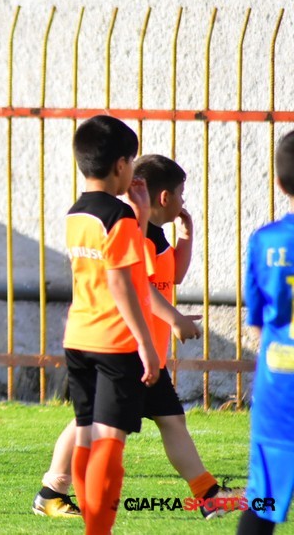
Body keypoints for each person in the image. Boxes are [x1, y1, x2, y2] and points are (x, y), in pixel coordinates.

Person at [32, 153, 238, 520]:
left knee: (170, 421)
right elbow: (137, 284)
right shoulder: (131, 229)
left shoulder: (154, 235)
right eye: (181, 193)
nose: (184, 201)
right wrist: (174, 318)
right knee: (90, 423)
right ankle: (53, 492)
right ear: (165, 197)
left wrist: (186, 237)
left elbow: (171, 276)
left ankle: (208, 495)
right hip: (126, 350)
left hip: (148, 355)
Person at [61, 115, 159, 535]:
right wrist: (146, 344)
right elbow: (121, 283)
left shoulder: (77, 213)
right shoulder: (117, 216)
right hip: (114, 341)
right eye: (132, 162)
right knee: (109, 442)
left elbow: (117, 264)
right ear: (120, 165)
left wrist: (141, 216)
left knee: (86, 435)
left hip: (78, 337)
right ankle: (98, 530)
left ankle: (93, 524)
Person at [237, 130, 294, 534]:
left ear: (279, 182)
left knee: (263, 500)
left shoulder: (265, 241)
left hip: (280, 388)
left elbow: (257, 321)